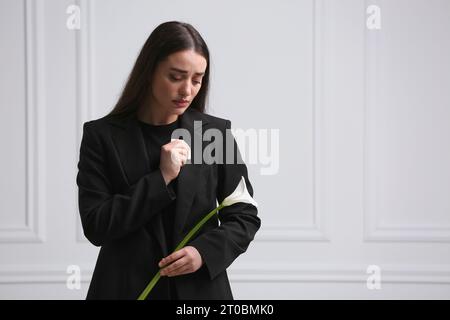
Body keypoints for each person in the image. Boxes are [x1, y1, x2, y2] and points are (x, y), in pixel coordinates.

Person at [76, 21, 260, 300]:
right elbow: (96, 226)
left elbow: (244, 214)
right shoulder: (101, 136)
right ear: (149, 72)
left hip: (200, 293)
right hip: (125, 289)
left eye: (197, 79)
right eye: (176, 77)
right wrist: (161, 178)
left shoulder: (213, 134)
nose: (187, 90)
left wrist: (204, 253)